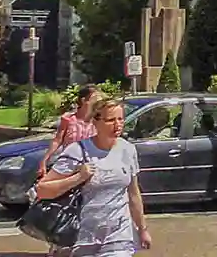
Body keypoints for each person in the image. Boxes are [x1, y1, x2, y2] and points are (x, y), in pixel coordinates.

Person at [35, 98, 151, 256]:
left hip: (119, 235)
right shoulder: (78, 151)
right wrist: (78, 177)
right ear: (95, 122)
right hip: (82, 237)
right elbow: (42, 190)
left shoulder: (128, 150)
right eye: (110, 120)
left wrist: (142, 229)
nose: (117, 125)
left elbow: (133, 193)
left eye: (120, 119)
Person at [40, 86, 101, 174]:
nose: (97, 102)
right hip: (69, 165)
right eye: (94, 99)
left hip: (91, 167)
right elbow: (57, 140)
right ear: (84, 100)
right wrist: (45, 160)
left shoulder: (98, 121)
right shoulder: (69, 119)